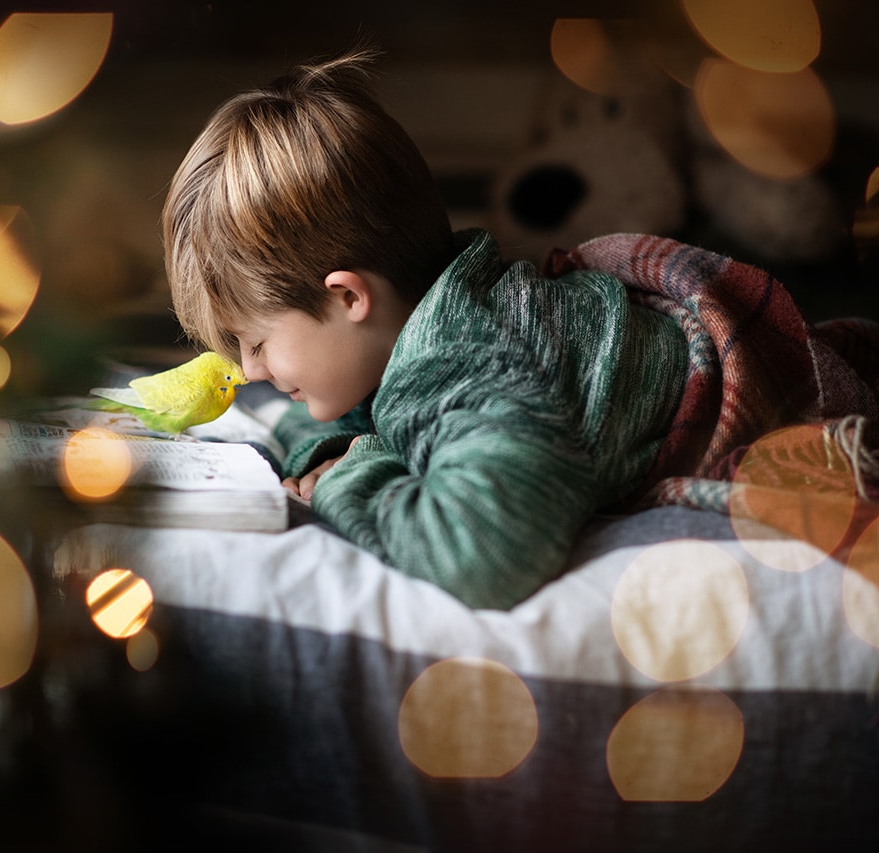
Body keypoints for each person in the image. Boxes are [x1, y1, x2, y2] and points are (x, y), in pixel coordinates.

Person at [162, 48, 690, 609]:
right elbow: (329, 413)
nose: (250, 370)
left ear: (347, 296)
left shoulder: (468, 359)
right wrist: (337, 446)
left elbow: (480, 556)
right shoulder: (420, 317)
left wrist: (356, 472)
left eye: (258, 342)